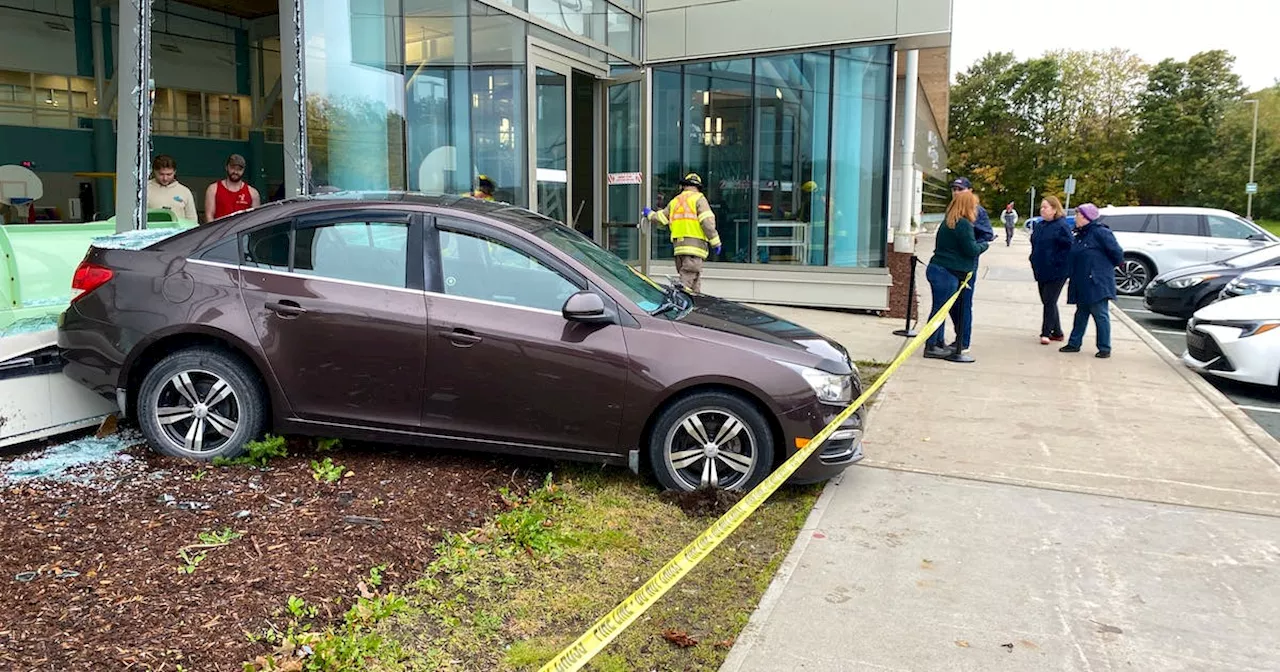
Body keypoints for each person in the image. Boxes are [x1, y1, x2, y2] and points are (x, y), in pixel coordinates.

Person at [924, 190, 988, 363]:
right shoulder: (963, 225)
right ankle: (931, 345)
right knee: (939, 310)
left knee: (940, 309)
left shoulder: (949, 222)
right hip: (946, 272)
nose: (976, 209)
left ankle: (937, 342)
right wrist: (984, 245)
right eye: (974, 206)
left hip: (939, 269)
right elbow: (971, 250)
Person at [1061, 203, 1124, 359]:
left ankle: (1104, 347)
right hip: (1081, 280)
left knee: (1100, 313)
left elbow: (1117, 254)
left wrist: (1100, 269)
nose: (1075, 217)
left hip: (1096, 280)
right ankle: (1074, 343)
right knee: (1081, 313)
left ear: (1086, 217)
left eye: (1078, 215)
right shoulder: (1080, 234)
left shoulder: (1101, 233)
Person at [643, 172, 721, 293]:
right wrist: (715, 242)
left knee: (693, 280)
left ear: (683, 186)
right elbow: (707, 223)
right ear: (698, 187)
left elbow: (662, 218)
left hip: (679, 248)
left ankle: (694, 305)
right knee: (687, 282)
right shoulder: (699, 199)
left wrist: (650, 214)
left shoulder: (675, 201)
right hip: (695, 248)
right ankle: (680, 301)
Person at [949, 177, 994, 352]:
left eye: (960, 189)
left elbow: (987, 235)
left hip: (967, 265)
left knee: (964, 303)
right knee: (951, 304)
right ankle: (958, 335)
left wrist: (973, 245)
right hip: (950, 264)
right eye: (954, 189)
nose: (956, 192)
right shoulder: (952, 209)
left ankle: (963, 341)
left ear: (969, 190)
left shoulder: (978, 211)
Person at [1029, 196, 1073, 344]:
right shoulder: (1040, 225)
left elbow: (1068, 247)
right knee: (1047, 300)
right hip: (1041, 269)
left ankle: (1046, 332)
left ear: (1054, 209)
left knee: (1049, 300)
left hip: (1057, 271)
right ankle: (1057, 331)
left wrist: (1057, 261)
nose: (1042, 210)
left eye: (1045, 207)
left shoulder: (1062, 226)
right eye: (1041, 207)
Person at [205, 154, 260, 222]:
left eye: (239, 169)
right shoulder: (213, 189)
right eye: (233, 168)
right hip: (220, 231)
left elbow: (255, 220)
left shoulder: (253, 193)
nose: (235, 172)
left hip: (242, 231)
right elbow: (209, 216)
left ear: (244, 170)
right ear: (226, 167)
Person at [146, 155, 198, 222]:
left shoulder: (185, 191)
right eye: (161, 174)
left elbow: (192, 219)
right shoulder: (144, 190)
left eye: (169, 174)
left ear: (174, 172)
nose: (165, 178)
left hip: (179, 231)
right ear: (154, 171)